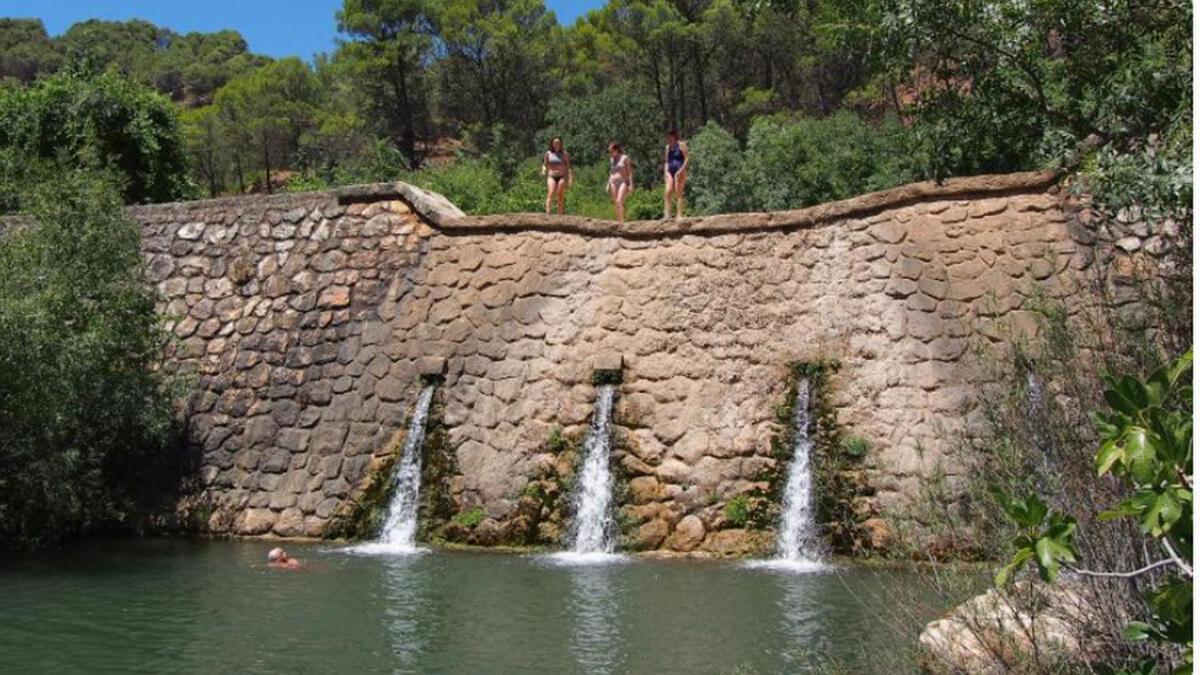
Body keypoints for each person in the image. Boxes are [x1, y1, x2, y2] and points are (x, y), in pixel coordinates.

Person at [541, 136, 572, 215]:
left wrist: (569, 178)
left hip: (561, 176)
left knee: (560, 194)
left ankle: (560, 213)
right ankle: (548, 213)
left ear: (561, 144)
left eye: (558, 143)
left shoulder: (565, 154)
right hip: (551, 176)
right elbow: (545, 164)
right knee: (551, 192)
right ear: (552, 144)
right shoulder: (548, 153)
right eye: (555, 143)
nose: (556, 144)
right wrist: (543, 170)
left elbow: (568, 168)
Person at [663, 129, 689, 218]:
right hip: (670, 171)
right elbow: (666, 161)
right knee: (668, 191)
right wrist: (666, 172)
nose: (668, 139)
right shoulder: (667, 147)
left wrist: (681, 170)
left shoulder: (681, 145)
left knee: (679, 192)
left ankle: (679, 215)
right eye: (667, 137)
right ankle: (667, 214)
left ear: (674, 137)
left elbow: (687, 159)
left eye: (670, 137)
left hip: (680, 170)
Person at [606, 143, 633, 223]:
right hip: (613, 181)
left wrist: (631, 184)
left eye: (611, 151)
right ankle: (618, 220)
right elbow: (611, 172)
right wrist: (608, 183)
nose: (610, 153)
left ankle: (622, 221)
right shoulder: (611, 159)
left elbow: (630, 172)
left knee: (619, 200)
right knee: (615, 202)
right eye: (609, 152)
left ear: (616, 150)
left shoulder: (624, 158)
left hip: (623, 181)